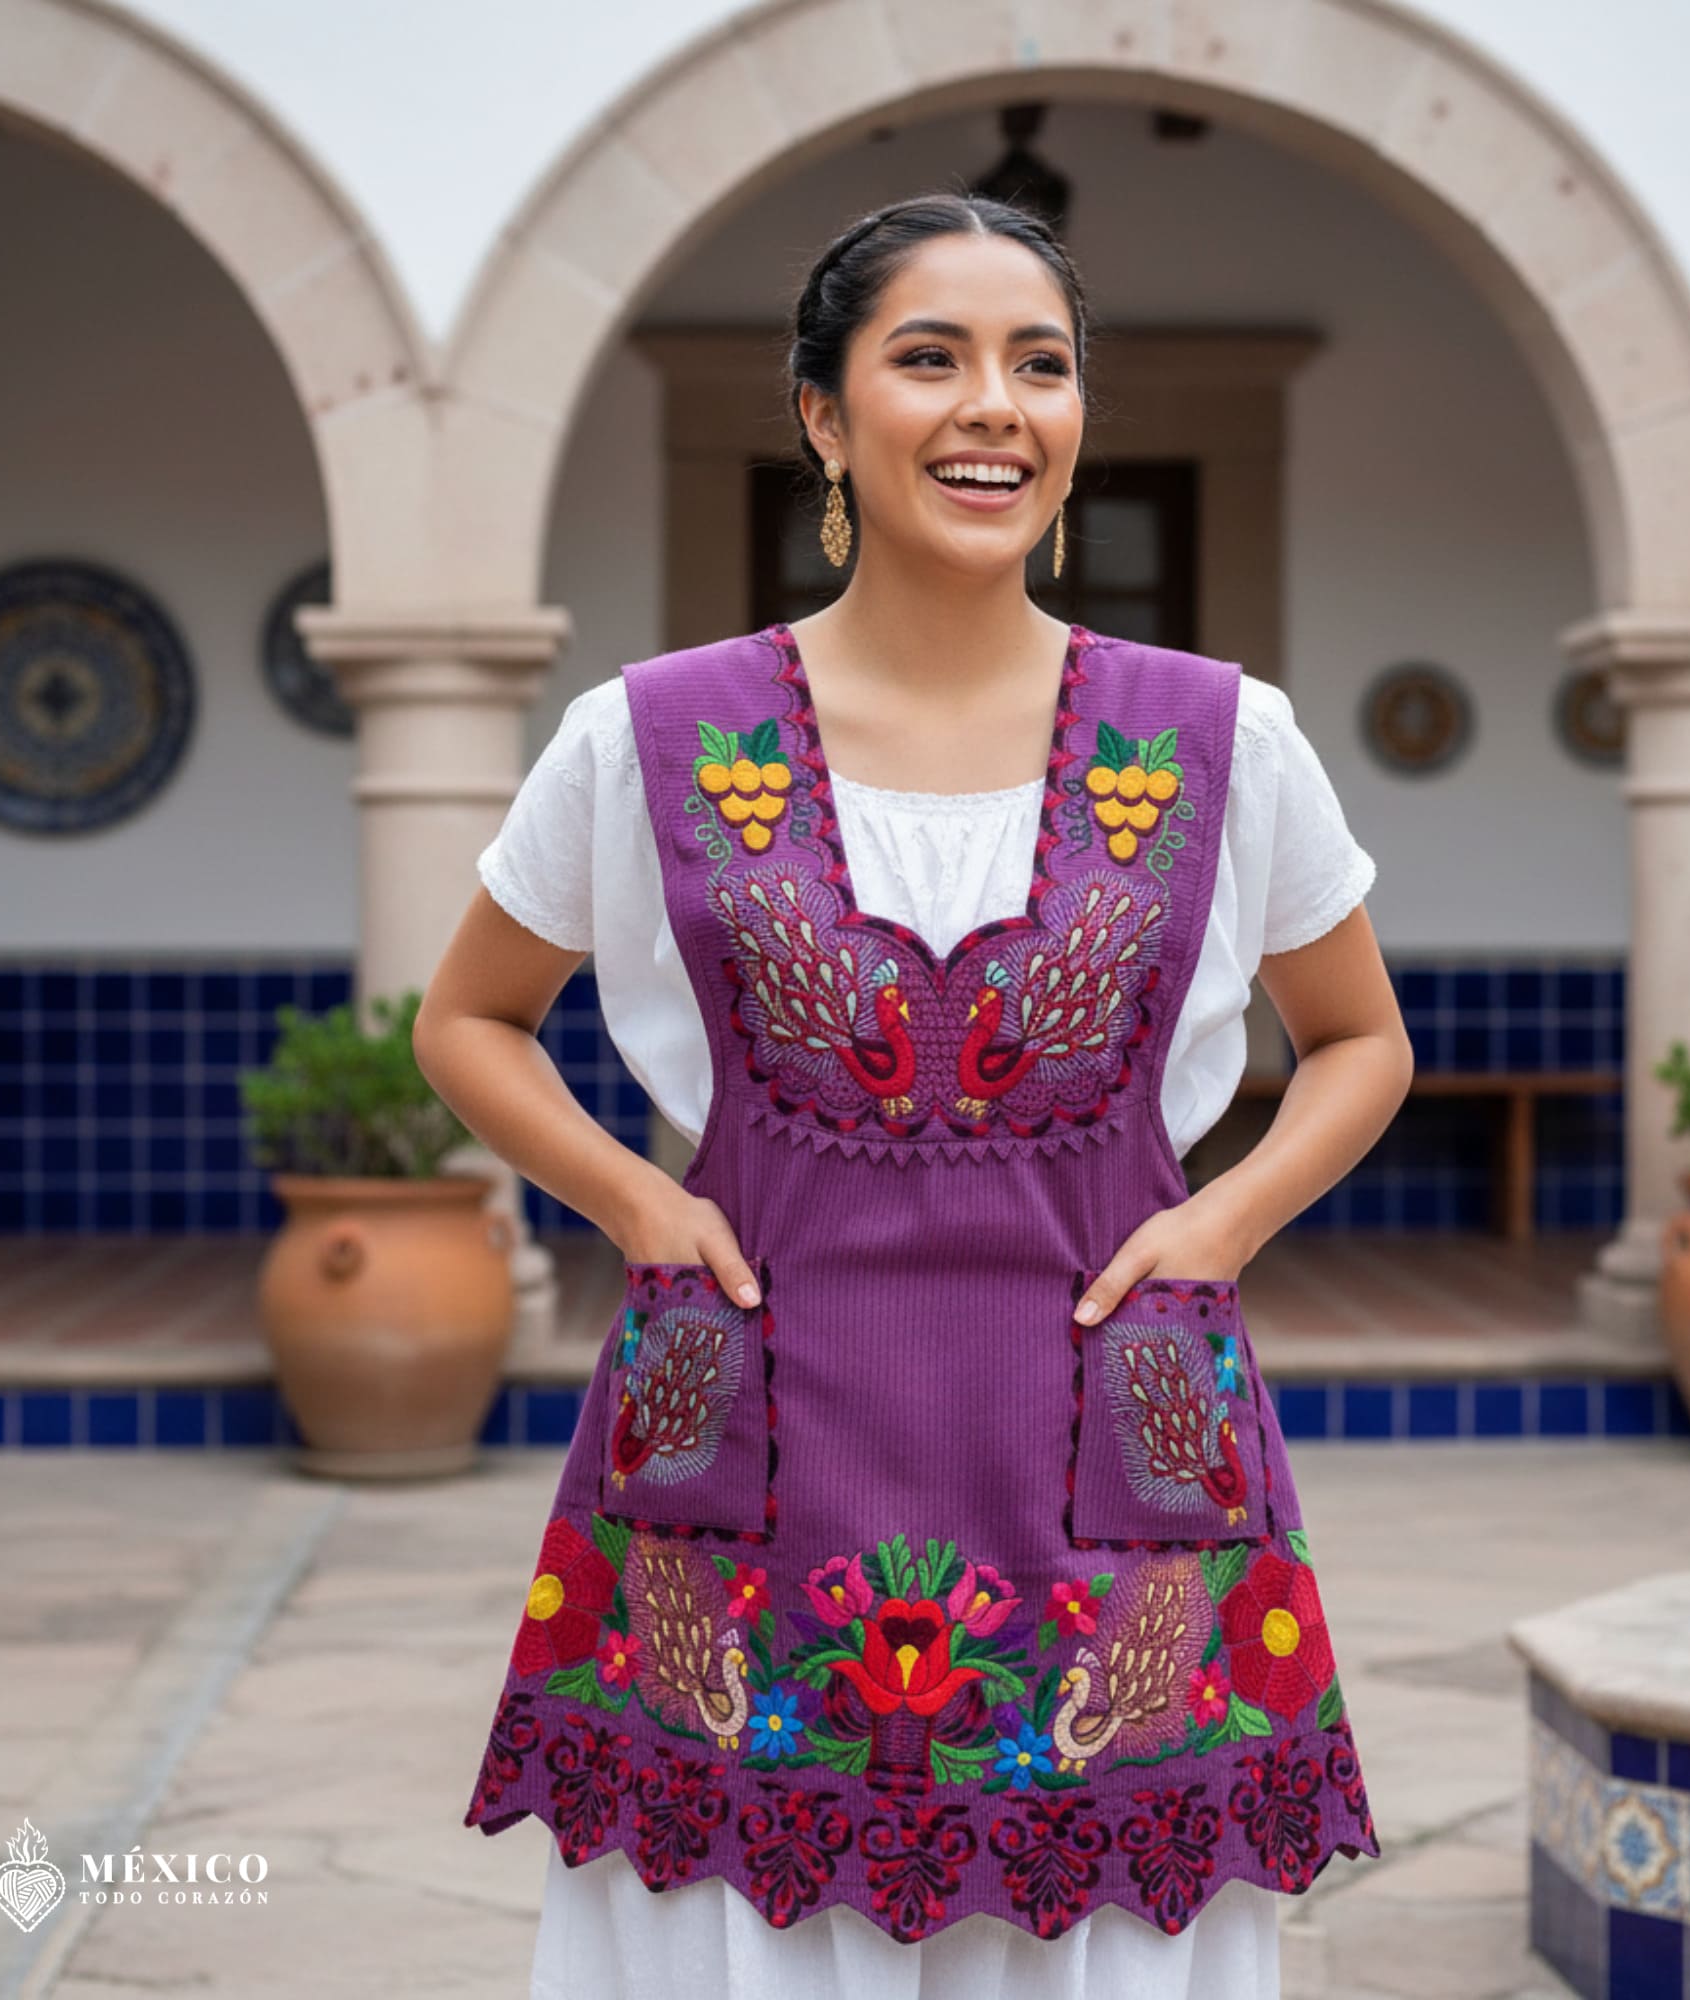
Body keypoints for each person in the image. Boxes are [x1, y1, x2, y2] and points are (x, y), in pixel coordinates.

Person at [417, 192, 1411, 1999]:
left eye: (1040, 365)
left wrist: (1216, 1225)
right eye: (930, 358)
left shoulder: (1216, 740)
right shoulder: (651, 737)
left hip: (1112, 1432)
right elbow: (470, 1016)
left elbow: (1363, 1040)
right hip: (750, 1421)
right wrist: (636, 1204)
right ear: (822, 413)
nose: (995, 408)